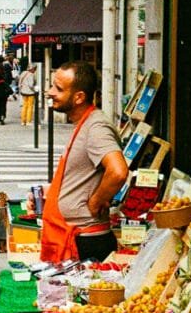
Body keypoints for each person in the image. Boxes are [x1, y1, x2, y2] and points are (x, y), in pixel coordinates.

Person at [40, 60, 130, 264]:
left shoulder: (96, 126)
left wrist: (96, 200)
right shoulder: (85, 124)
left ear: (79, 97)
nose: (50, 92)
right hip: (78, 237)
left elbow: (118, 172)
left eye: (59, 89)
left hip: (86, 242)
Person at [17, 60, 37, 125]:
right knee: (30, 106)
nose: (35, 70)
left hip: (23, 92)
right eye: (35, 69)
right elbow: (31, 85)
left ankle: (23, 121)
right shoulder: (31, 75)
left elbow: (19, 81)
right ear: (33, 69)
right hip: (30, 93)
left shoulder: (23, 73)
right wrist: (35, 89)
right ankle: (28, 121)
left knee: (24, 106)